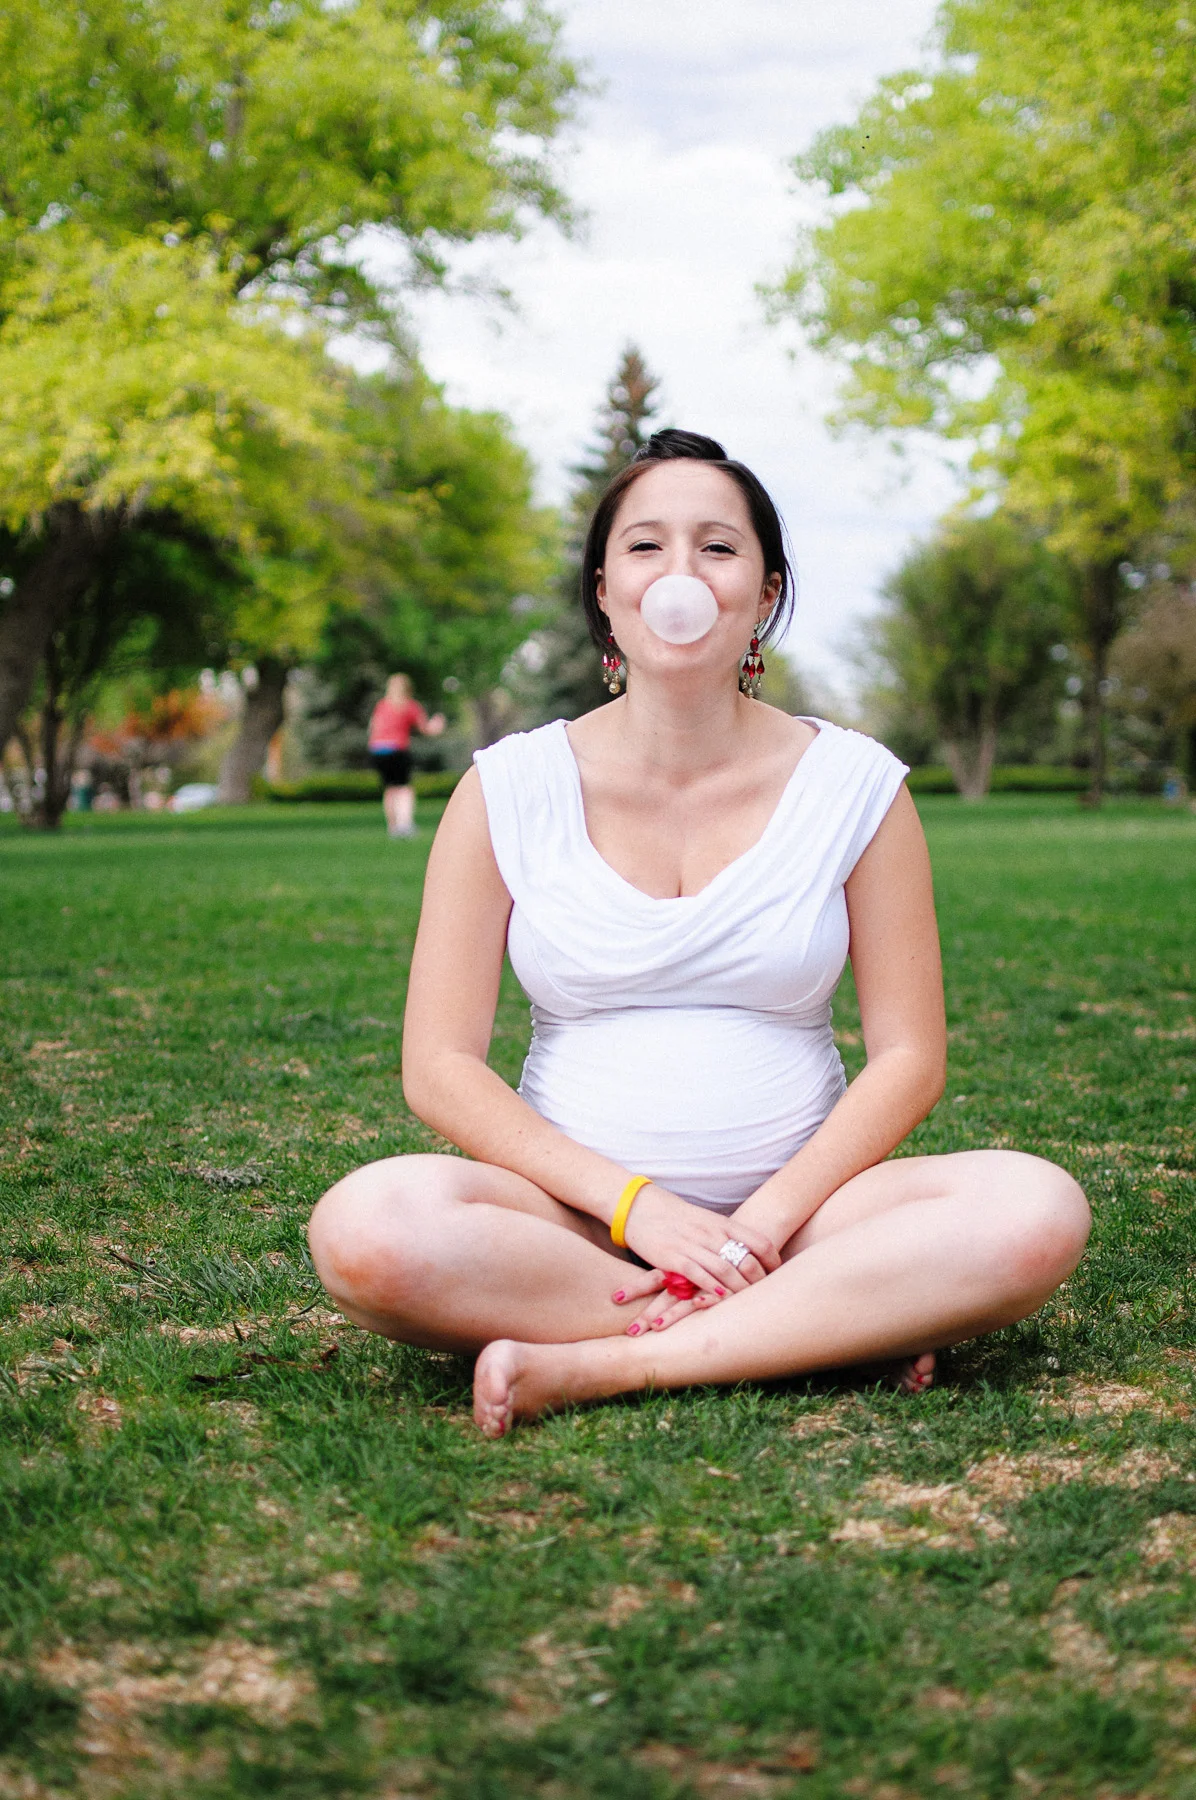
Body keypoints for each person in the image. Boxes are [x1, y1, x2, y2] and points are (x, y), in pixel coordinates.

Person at [310, 430, 1090, 1438]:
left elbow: (908, 1056)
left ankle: (613, 1364)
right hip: (572, 1229)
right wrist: (639, 1211)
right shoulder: (502, 789)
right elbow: (439, 1066)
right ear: (604, 589)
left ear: (764, 592)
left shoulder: (856, 787)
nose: (680, 574)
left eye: (717, 548)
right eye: (645, 547)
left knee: (1032, 1212)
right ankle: (823, 1329)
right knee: (367, 1233)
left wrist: (754, 1231)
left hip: (804, 1225)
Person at [367, 674, 445, 838]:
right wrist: (438, 724)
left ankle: (392, 827)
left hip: (378, 749)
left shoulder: (382, 705)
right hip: (397, 749)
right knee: (404, 788)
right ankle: (405, 824)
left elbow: (373, 726)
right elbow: (427, 729)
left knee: (390, 788)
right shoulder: (409, 706)